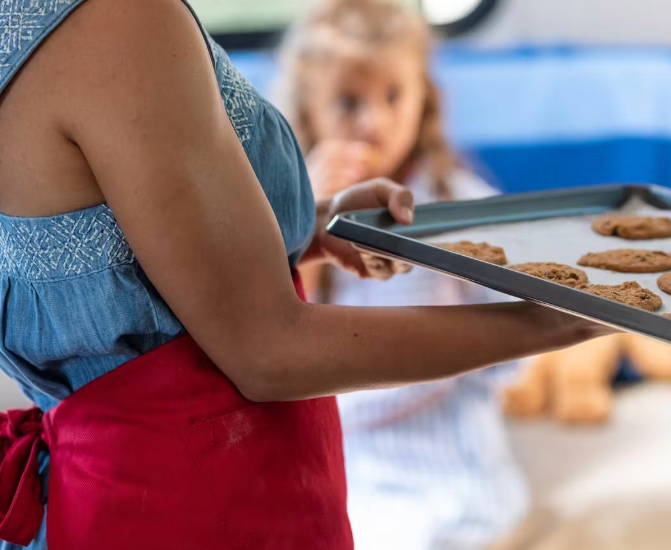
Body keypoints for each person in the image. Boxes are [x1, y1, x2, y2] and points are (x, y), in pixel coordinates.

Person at [0, 0, 607, 548]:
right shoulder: (118, 22)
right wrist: (556, 318)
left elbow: (128, 263)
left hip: (136, 499)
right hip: (208, 507)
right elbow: (269, 352)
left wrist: (306, 228)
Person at [276, 1, 528, 547]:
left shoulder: (453, 205)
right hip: (341, 456)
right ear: (309, 110)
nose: (376, 122)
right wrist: (305, 221)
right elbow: (282, 340)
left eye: (395, 97)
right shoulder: (282, 215)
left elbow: (523, 325)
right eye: (348, 101)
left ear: (425, 99)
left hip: (443, 460)